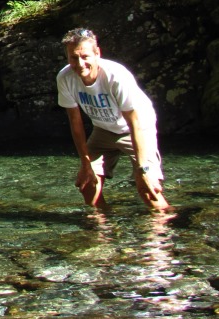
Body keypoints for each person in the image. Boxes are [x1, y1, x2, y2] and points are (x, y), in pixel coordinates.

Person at [56, 28, 169, 211]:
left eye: (85, 56)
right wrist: (86, 165)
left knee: (147, 188)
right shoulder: (65, 78)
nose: (80, 64)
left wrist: (144, 170)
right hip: (104, 129)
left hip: (137, 127)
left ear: (97, 54)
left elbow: (135, 122)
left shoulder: (115, 76)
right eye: (73, 58)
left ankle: (165, 227)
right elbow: (75, 124)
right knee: (88, 186)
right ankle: (105, 229)